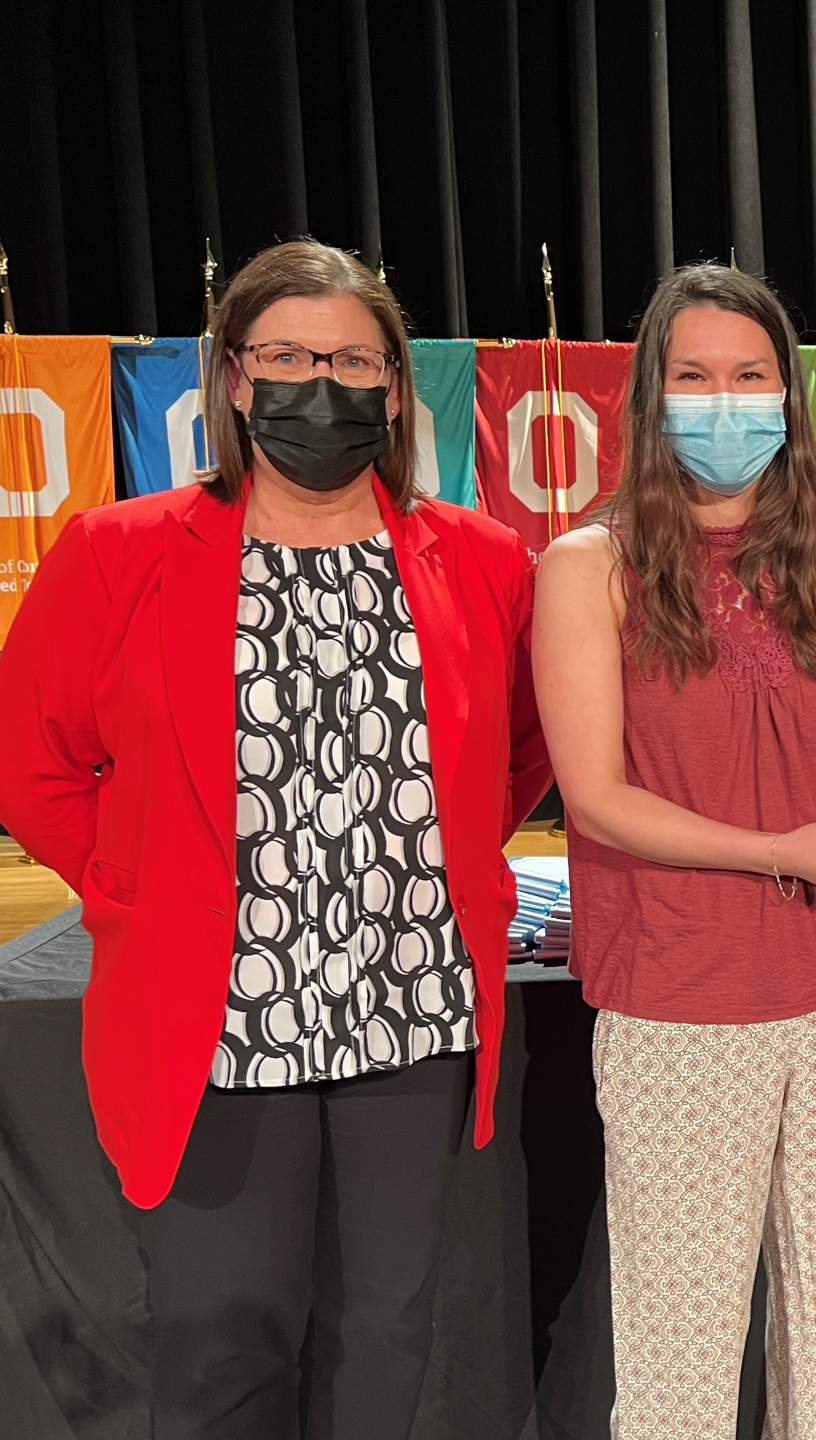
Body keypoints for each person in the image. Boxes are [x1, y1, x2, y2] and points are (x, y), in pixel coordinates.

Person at [0, 240, 550, 1439]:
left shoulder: (484, 559)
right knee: (222, 1329)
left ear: (398, 389)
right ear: (236, 381)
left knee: (388, 1326)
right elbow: (31, 766)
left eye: (354, 359)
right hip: (217, 1014)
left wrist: (425, 858)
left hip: (411, 1009)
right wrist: (133, 880)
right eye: (290, 356)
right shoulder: (119, 552)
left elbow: (518, 750)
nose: (323, 384)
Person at [533, 264, 816, 1438]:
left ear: (790, 397)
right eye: (694, 377)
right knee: (680, 1356)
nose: (724, 402)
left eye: (750, 376)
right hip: (682, 997)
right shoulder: (585, 569)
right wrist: (779, 851)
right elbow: (595, 800)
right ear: (650, 398)